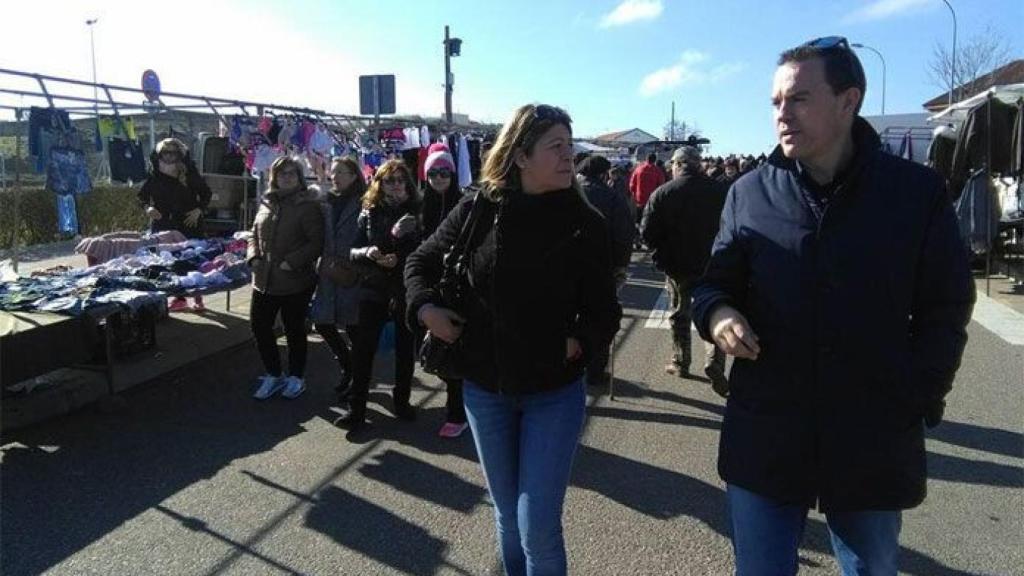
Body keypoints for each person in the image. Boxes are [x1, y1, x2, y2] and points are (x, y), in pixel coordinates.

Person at [691, 36, 975, 575]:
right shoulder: (748, 193)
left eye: (798, 99)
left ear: (849, 102)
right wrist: (719, 315)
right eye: (776, 102)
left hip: (870, 436)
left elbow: (946, 305)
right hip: (767, 434)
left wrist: (917, 395)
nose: (782, 114)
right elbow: (712, 285)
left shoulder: (915, 193)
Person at [405, 104, 621, 576]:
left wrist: (577, 343)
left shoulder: (587, 224)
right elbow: (419, 261)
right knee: (506, 516)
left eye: (571, 146)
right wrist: (425, 309)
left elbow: (606, 310)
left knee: (537, 525)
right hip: (486, 390)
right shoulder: (480, 207)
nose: (570, 157)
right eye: (556, 147)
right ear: (521, 156)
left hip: (553, 394)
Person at [336, 158, 422, 431]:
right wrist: (369, 253)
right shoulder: (369, 210)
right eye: (389, 181)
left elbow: (423, 250)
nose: (395, 185)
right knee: (363, 349)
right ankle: (356, 408)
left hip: (404, 285)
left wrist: (399, 256)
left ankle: (402, 401)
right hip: (374, 286)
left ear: (407, 183)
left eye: (400, 180)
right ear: (380, 184)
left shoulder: (418, 211)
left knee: (405, 349)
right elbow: (353, 250)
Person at [641, 145, 729, 396]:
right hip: (713, 263)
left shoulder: (663, 193)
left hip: (676, 265)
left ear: (678, 165)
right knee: (713, 311)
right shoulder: (720, 191)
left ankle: (681, 362)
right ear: (698, 163)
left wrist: (660, 257)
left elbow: (647, 232)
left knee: (680, 314)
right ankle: (714, 360)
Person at [247, 156, 325, 400]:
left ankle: (296, 377)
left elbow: (316, 242)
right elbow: (253, 235)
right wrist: (253, 256)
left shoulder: (308, 206)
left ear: (300, 178)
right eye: (282, 174)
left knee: (294, 330)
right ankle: (273, 373)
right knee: (260, 327)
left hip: (295, 281)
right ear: (274, 177)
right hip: (263, 280)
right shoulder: (267, 203)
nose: (287, 177)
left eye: (292, 173)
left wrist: (292, 261)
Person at [418, 144, 471, 438]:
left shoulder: (463, 205)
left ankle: (457, 412)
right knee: (430, 348)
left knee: (452, 347)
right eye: (434, 173)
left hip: (455, 288)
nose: (439, 178)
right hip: (427, 287)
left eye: (445, 172)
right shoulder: (419, 205)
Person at [310, 156, 366, 402]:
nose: (335, 176)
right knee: (322, 322)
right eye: (333, 172)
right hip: (328, 270)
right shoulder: (326, 201)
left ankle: (357, 378)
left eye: (341, 172)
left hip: (352, 270)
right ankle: (348, 367)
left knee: (354, 327)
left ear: (354, 176)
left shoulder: (365, 202)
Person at [576, 154, 635, 387]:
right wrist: (621, 265)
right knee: (600, 318)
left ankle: (571, 364)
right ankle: (595, 370)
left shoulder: (569, 193)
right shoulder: (612, 197)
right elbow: (624, 234)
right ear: (604, 174)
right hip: (602, 267)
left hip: (566, 266)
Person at [138, 137, 212, 312]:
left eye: (174, 152)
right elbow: (141, 196)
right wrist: (148, 208)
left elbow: (206, 194)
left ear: (180, 154)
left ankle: (197, 297)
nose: (170, 157)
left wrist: (198, 210)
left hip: (189, 222)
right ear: (159, 154)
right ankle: (179, 298)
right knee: (169, 260)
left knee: (191, 258)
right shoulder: (154, 175)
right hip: (163, 225)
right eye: (165, 152)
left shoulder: (189, 173)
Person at [628, 152, 666, 224]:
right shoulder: (657, 171)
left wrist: (633, 193)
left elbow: (632, 184)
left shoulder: (638, 169)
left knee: (639, 217)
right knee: (650, 219)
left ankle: (638, 231)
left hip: (639, 198)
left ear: (646, 159)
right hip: (652, 199)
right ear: (655, 160)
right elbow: (661, 185)